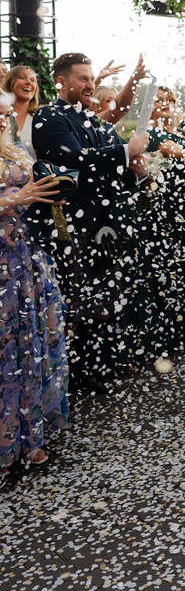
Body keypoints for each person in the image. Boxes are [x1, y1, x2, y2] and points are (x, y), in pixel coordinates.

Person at [31, 53, 149, 392]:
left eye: (92, 78)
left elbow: (108, 175)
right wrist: (127, 151)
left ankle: (96, 372)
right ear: (60, 82)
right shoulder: (48, 117)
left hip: (101, 228)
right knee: (75, 304)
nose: (91, 84)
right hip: (68, 226)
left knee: (103, 303)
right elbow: (76, 162)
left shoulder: (92, 122)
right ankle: (68, 381)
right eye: (82, 78)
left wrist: (136, 172)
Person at [0, 96, 70, 481]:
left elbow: (34, 194)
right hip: (1, 268)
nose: (0, 120)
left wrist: (50, 193)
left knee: (32, 346)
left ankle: (30, 437)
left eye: (2, 114)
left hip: (28, 262)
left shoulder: (15, 151)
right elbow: (16, 197)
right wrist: (15, 197)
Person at [145, 86, 185, 354]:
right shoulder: (150, 133)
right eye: (160, 101)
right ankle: (167, 336)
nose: (166, 104)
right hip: (165, 209)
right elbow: (181, 155)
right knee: (167, 268)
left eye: (170, 100)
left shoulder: (183, 135)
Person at [1, 65, 41, 161]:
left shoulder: (40, 117)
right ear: (9, 82)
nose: (28, 82)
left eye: (33, 80)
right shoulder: (2, 118)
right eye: (22, 78)